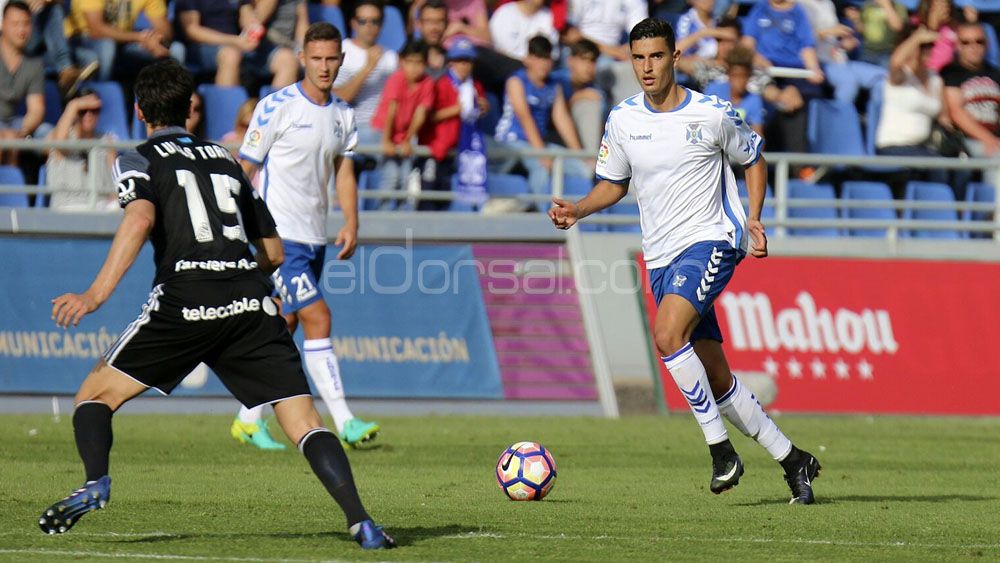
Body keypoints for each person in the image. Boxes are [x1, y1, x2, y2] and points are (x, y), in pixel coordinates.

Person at [38, 58, 395, 549]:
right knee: (305, 423)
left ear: (140, 111)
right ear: (191, 109)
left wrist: (96, 294)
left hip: (185, 298)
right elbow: (271, 251)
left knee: (94, 398)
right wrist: (244, 282)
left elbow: (140, 219)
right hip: (249, 297)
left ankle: (96, 480)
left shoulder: (137, 158)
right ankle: (362, 522)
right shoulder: (227, 159)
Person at [549, 17, 821, 504]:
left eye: (656, 56)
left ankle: (721, 451)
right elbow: (615, 182)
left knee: (666, 334)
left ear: (675, 58)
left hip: (712, 240)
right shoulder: (624, 118)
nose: (647, 67)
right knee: (717, 377)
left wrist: (754, 218)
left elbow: (753, 158)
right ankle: (794, 459)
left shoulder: (712, 113)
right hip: (661, 256)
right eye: (638, 58)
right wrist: (579, 209)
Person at [233, 22, 380, 449]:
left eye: (332, 58)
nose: (324, 66)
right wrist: (236, 224)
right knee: (319, 317)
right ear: (302, 58)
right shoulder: (276, 106)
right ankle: (346, 420)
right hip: (279, 238)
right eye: (316, 58)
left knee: (285, 324)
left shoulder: (343, 115)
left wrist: (351, 221)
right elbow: (246, 168)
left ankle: (247, 417)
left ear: (341, 59)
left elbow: (343, 171)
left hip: (314, 236)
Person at [494, 35, 589, 198]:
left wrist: (580, 155)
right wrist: (541, 153)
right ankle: (542, 215)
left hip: (539, 143)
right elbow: (525, 118)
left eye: (546, 58)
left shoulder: (553, 86)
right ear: (527, 59)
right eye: (538, 58)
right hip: (512, 141)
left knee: (584, 169)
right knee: (541, 167)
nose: (543, 64)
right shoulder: (516, 81)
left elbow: (562, 120)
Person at [418, 38, 489, 210]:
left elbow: (474, 114)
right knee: (432, 194)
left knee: (451, 194)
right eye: (459, 60)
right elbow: (430, 116)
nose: (464, 65)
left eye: (468, 61)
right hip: (439, 147)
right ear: (451, 63)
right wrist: (455, 110)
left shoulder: (476, 86)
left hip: (464, 147)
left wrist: (484, 108)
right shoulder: (441, 84)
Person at [876, 26, 950, 184]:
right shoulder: (900, 76)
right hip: (894, 146)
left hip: (923, 148)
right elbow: (895, 61)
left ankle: (959, 209)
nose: (928, 50)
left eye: (930, 46)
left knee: (960, 167)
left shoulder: (935, 79)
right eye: (922, 46)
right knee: (937, 168)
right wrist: (917, 37)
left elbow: (944, 118)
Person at [371, 39, 434, 209]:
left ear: (425, 64)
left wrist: (407, 140)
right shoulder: (396, 79)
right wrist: (386, 141)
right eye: (409, 62)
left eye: (419, 62)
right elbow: (391, 112)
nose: (414, 67)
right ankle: (382, 223)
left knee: (405, 179)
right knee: (391, 177)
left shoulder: (427, 83)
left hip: (402, 137)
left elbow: (420, 115)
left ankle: (401, 226)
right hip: (382, 132)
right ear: (401, 61)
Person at [176, 0, 298, 88]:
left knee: (287, 59)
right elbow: (192, 31)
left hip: (238, 46)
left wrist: (252, 31)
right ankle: (227, 118)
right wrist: (234, 41)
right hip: (203, 48)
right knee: (231, 55)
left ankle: (275, 116)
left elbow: (246, 15)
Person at [63, 0, 175, 82]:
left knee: (176, 50)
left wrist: (154, 40)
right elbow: (96, 30)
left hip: (123, 43)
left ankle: (167, 106)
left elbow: (165, 30)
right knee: (107, 47)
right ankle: (98, 96)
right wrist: (140, 37)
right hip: (81, 40)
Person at [45, 88, 118, 210]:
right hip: (68, 206)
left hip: (100, 206)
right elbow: (59, 145)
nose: (88, 115)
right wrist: (74, 105)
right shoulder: (57, 136)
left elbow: (114, 183)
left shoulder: (107, 141)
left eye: (94, 110)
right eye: (82, 110)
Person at [942, 20, 1000, 157]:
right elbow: (956, 113)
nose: (973, 47)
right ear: (957, 46)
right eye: (966, 42)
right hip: (966, 141)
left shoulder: (996, 74)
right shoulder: (951, 73)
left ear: (987, 44)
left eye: (979, 41)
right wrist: (988, 139)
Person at [0, 1, 45, 166]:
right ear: (3, 24)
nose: (21, 30)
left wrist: (20, 132)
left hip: (14, 122)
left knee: (51, 136)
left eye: (26, 24)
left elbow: (36, 110)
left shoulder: (34, 63)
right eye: (15, 24)